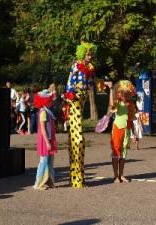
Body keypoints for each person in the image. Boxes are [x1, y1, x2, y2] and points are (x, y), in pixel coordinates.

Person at [64, 41, 96, 188]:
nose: (90, 56)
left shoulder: (90, 68)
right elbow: (70, 81)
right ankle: (76, 179)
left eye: (91, 54)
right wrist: (70, 94)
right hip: (74, 99)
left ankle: (78, 179)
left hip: (81, 99)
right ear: (82, 54)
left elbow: (90, 84)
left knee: (76, 139)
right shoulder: (77, 65)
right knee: (77, 139)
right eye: (88, 54)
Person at [106, 80, 136, 183]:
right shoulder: (118, 102)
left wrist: (134, 134)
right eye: (124, 92)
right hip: (117, 128)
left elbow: (131, 119)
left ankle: (121, 175)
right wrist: (110, 89)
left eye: (128, 92)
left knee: (123, 153)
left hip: (126, 130)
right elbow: (111, 106)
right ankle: (115, 176)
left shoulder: (131, 104)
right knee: (116, 152)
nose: (126, 94)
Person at [33, 89, 57, 190]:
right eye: (50, 100)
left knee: (50, 160)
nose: (52, 102)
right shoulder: (43, 112)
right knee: (44, 160)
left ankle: (49, 181)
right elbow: (42, 128)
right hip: (45, 139)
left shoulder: (48, 112)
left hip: (49, 138)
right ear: (45, 101)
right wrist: (47, 142)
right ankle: (38, 183)